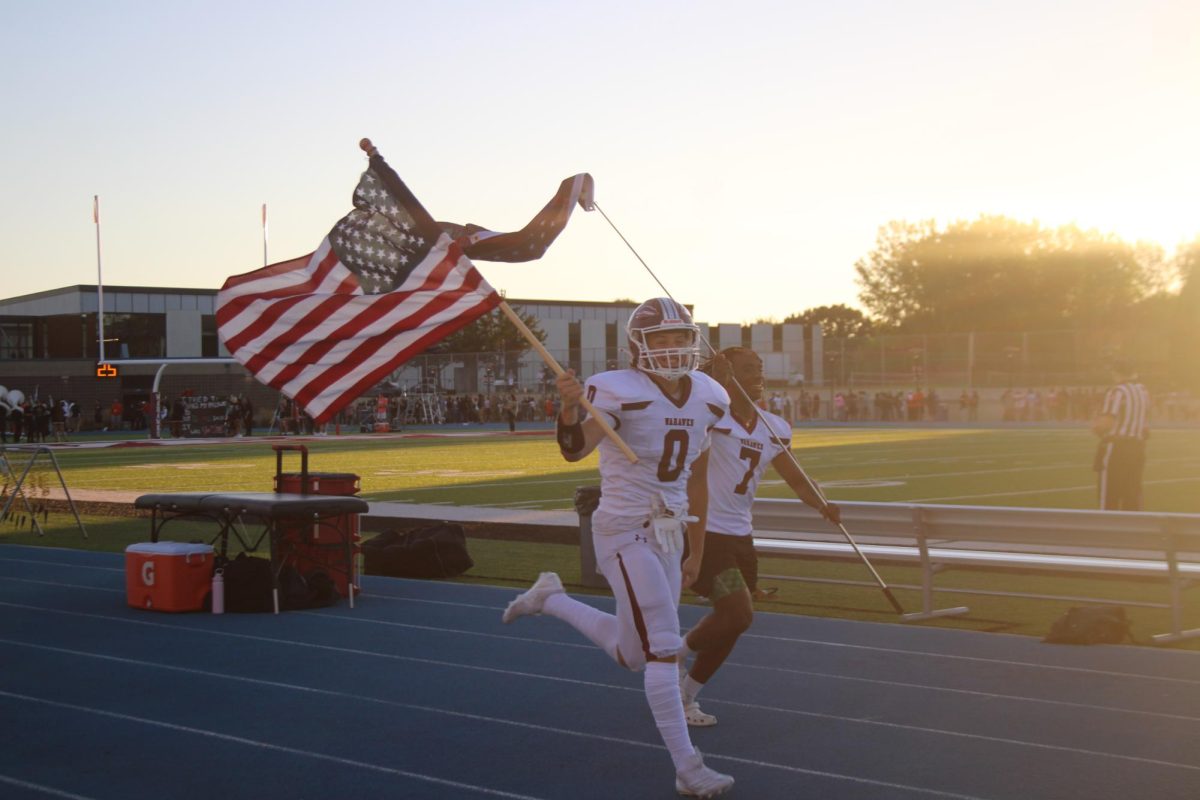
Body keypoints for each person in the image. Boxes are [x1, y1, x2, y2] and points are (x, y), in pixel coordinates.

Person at [501, 297, 734, 798]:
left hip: (669, 534)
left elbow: (696, 477)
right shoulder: (615, 389)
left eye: (680, 338)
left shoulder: (711, 396)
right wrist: (567, 409)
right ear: (637, 347)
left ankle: (551, 597)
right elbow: (573, 450)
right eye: (662, 340)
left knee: (634, 653)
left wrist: (697, 549)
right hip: (624, 529)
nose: (673, 349)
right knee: (665, 647)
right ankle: (688, 769)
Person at [677, 347, 841, 728]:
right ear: (728, 375)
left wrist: (822, 504)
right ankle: (677, 652)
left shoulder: (774, 427)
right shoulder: (710, 418)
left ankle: (686, 697)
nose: (758, 376)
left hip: (740, 536)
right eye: (748, 370)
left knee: (734, 621)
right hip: (707, 531)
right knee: (738, 611)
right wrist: (715, 381)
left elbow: (797, 478)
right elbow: (690, 413)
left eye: (759, 369)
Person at [1092, 358, 1150, 510]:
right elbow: (1145, 428)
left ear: (1116, 372)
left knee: (1109, 495)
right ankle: (1133, 531)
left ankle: (1108, 531)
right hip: (1137, 447)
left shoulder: (1117, 391)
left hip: (1116, 448)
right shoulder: (1142, 390)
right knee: (1132, 494)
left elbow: (1106, 422)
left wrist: (1096, 426)